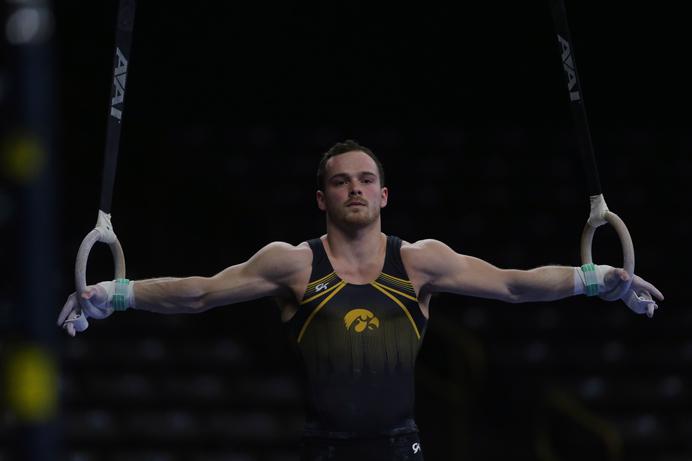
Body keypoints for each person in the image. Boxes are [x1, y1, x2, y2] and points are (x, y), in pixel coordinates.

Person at [58, 139, 663, 461]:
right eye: (341, 180)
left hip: (403, 448)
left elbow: (512, 283)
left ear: (384, 195)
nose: (355, 188)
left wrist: (598, 279)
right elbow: (200, 295)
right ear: (321, 198)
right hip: (323, 451)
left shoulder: (419, 261)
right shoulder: (291, 264)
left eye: (365, 179)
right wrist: (114, 294)